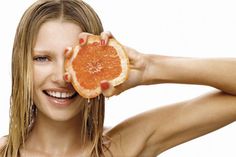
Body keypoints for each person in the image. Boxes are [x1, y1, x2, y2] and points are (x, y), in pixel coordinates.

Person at [0, 0, 236, 156]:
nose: (62, 76)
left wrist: (148, 68)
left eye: (74, 59)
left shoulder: (122, 146)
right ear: (20, 66)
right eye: (42, 58)